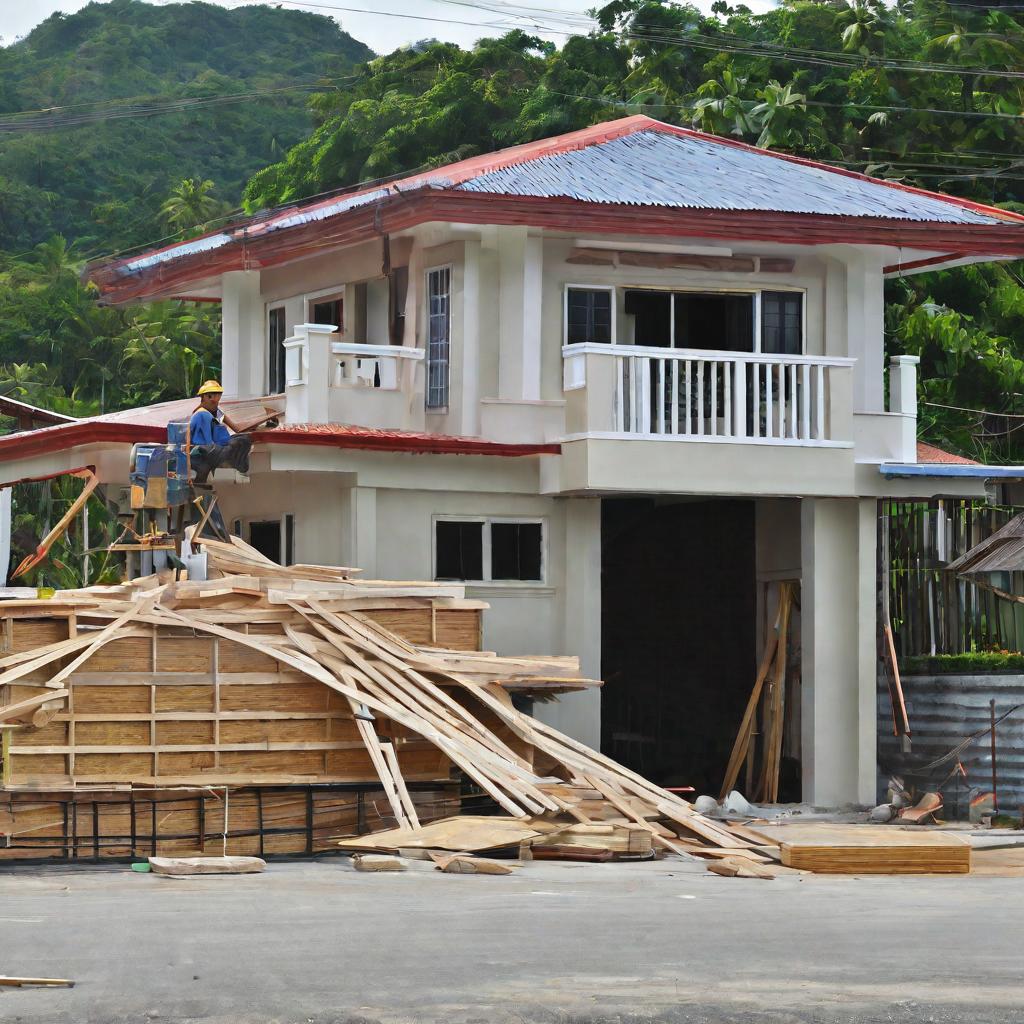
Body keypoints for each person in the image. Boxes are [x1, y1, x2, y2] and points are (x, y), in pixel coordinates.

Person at [188, 380, 252, 483]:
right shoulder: (202, 414)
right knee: (235, 446)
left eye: (218, 397)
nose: (216, 401)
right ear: (205, 397)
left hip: (217, 448)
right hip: (204, 451)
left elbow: (237, 429)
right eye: (212, 397)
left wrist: (253, 427)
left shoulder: (216, 412)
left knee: (243, 440)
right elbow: (208, 442)